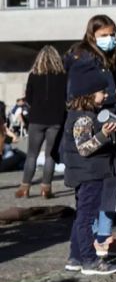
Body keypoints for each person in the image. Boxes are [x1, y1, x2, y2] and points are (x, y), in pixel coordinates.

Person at [63, 15, 116, 259]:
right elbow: (85, 93)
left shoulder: (104, 58)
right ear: (93, 35)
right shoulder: (83, 58)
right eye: (104, 35)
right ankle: (88, 251)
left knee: (102, 191)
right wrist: (114, 95)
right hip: (94, 133)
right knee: (87, 203)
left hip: (107, 129)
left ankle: (88, 246)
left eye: (113, 34)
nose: (110, 39)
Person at [60, 61, 116, 275]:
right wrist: (104, 134)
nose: (105, 95)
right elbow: (85, 148)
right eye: (101, 92)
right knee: (86, 218)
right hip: (89, 174)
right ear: (87, 94)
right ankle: (89, 260)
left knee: (82, 216)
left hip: (85, 173)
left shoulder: (81, 115)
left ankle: (75, 257)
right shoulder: (84, 118)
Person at [17, 46, 67, 199]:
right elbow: (67, 98)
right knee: (50, 156)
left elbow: (29, 98)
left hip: (37, 119)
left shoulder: (33, 75)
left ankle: (24, 188)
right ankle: (46, 189)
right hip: (56, 119)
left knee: (31, 155)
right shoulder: (64, 76)